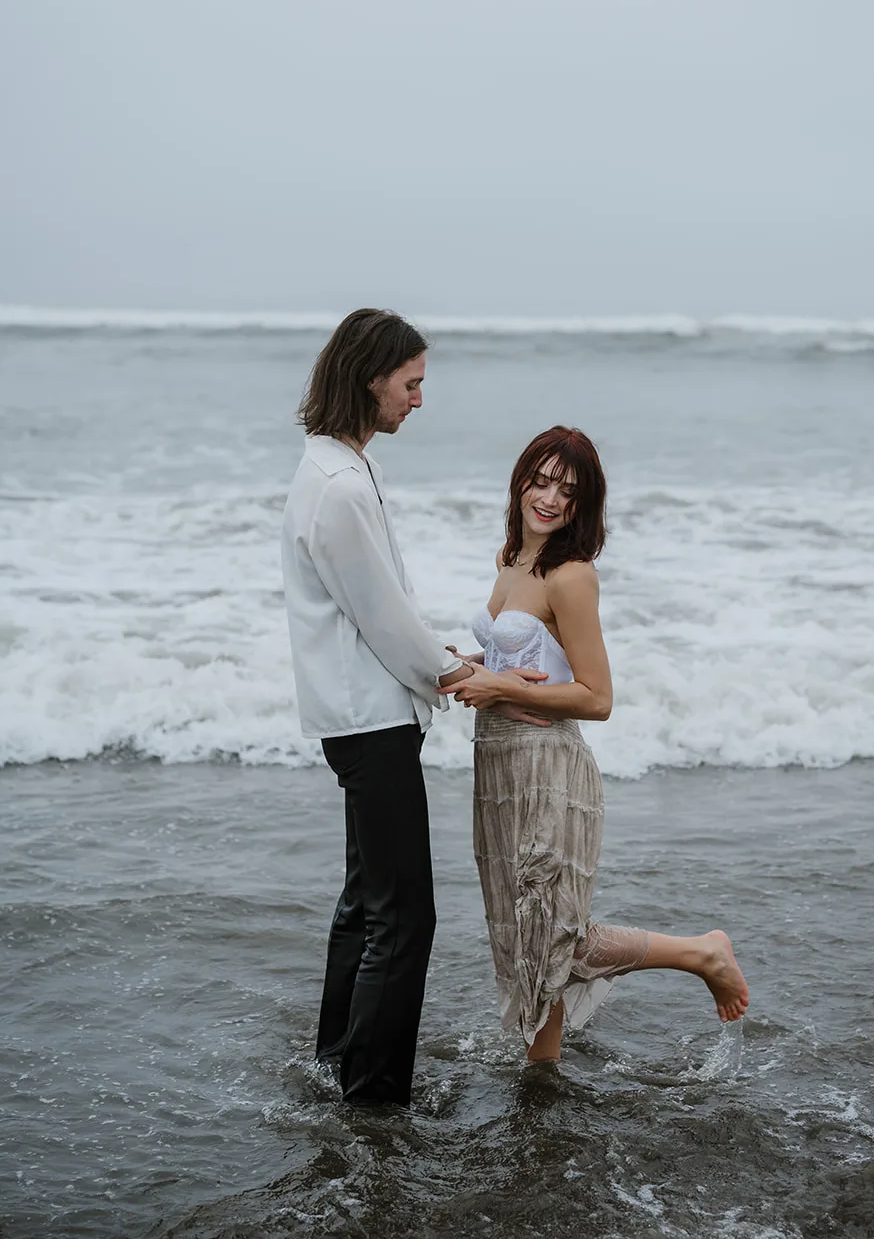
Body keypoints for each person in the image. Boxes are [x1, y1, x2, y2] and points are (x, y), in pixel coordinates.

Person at [281, 309, 546, 1106]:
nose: (418, 399)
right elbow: (380, 618)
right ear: (372, 380)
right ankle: (374, 1094)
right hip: (368, 720)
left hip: (357, 711)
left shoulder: (338, 469)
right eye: (411, 383)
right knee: (405, 918)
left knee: (368, 902)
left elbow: (380, 608)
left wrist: (446, 661)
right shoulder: (335, 489)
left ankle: (337, 1061)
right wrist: (456, 678)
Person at [437, 425, 750, 1063]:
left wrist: (500, 688)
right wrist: (466, 665)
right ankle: (542, 1071)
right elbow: (519, 658)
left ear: (585, 507)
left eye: (568, 493)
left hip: (550, 770)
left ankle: (700, 953)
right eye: (542, 479)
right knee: (523, 935)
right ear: (521, 478)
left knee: (557, 936)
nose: (550, 499)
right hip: (499, 768)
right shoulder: (509, 559)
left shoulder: (571, 576)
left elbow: (597, 697)